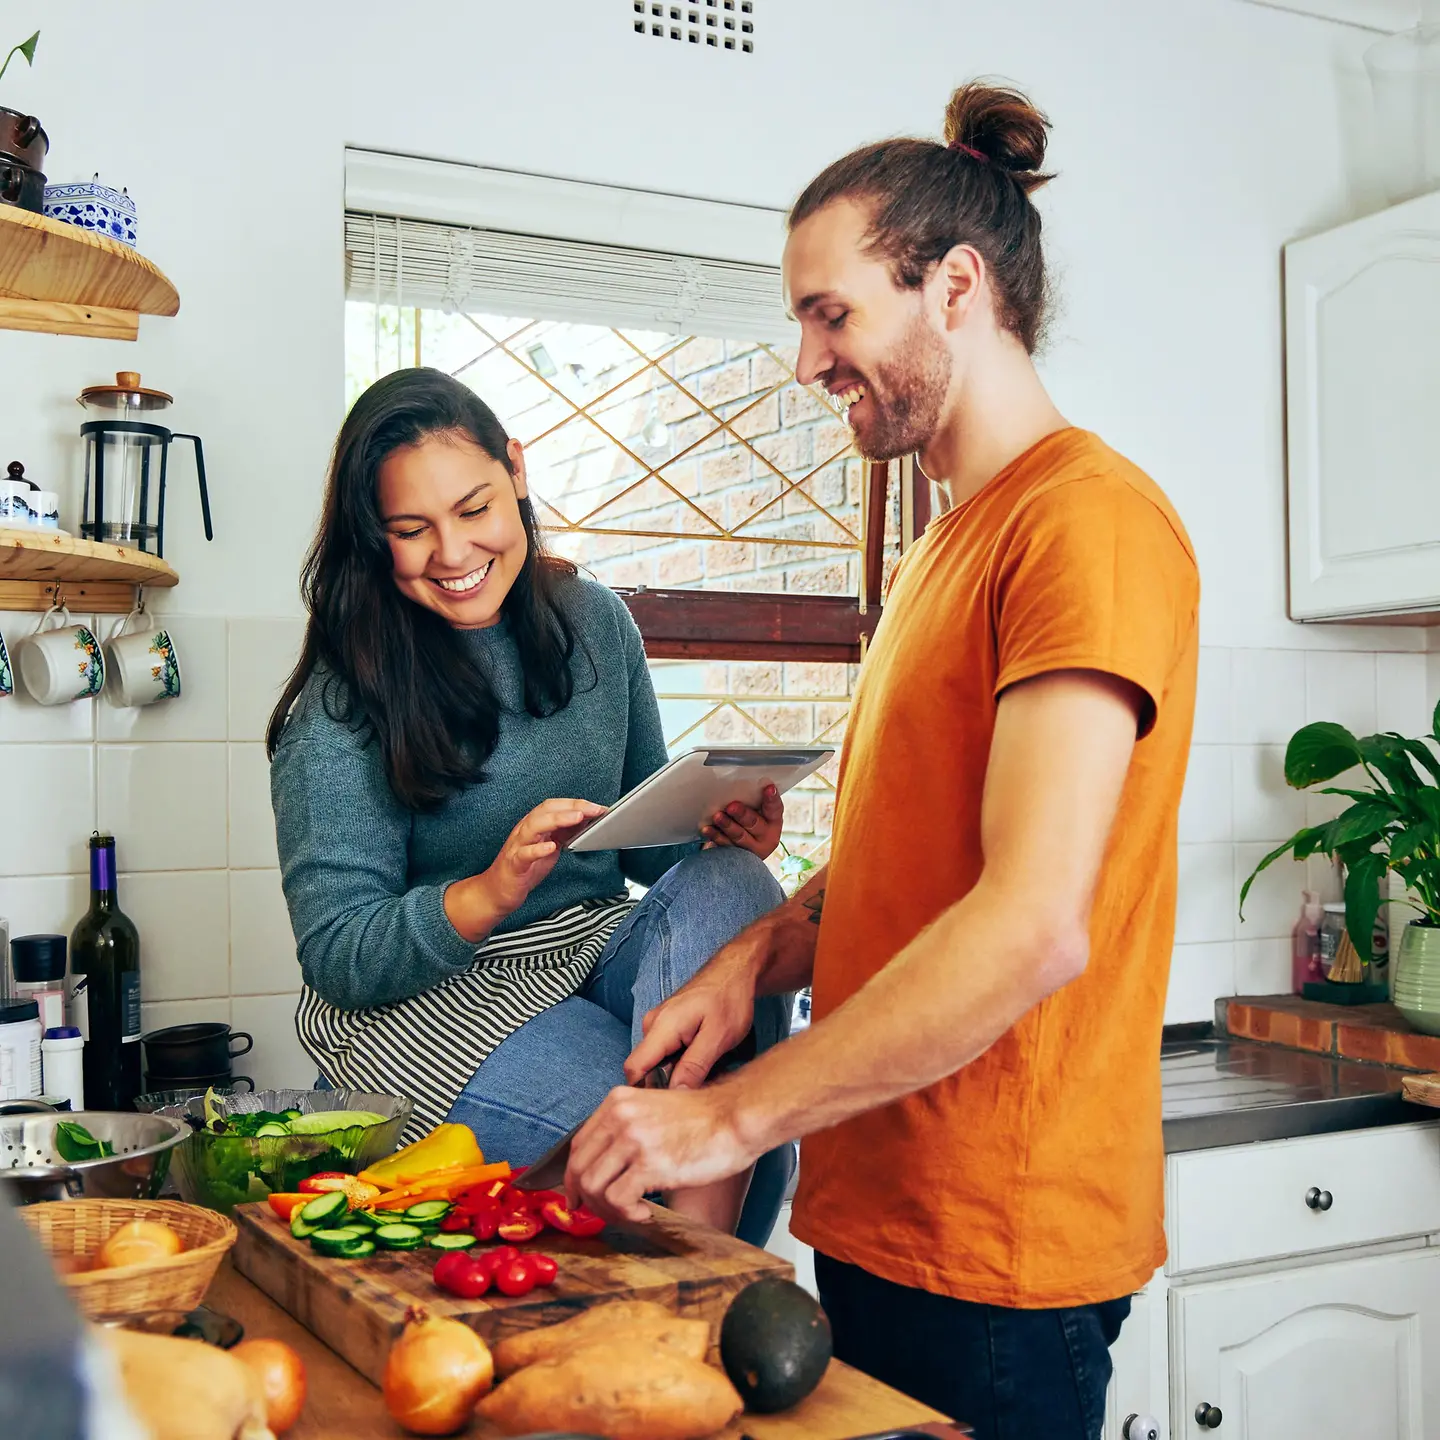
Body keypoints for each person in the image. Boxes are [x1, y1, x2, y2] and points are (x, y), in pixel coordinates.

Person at [563, 81, 1199, 1439]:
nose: (805, 361)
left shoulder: (1085, 526)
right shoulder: (943, 548)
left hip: (996, 1245)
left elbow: (1030, 927)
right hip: (881, 1212)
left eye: (830, 313)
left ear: (954, 286)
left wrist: (729, 1124)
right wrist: (760, 957)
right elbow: (908, 862)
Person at [267, 367, 794, 1242]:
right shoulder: (340, 704)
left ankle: (695, 1248)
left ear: (516, 470)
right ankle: (708, 1258)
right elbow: (339, 957)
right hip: (437, 999)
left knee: (734, 886)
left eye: (473, 510)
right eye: (411, 529)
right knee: (638, 1110)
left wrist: (719, 831)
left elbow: (654, 862)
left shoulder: (594, 623)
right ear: (374, 537)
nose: (453, 553)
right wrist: (489, 889)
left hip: (589, 949)